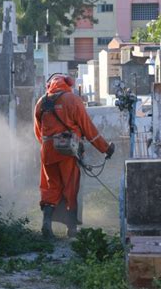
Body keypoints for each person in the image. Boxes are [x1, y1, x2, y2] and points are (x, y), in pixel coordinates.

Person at [34, 74, 115, 238]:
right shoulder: (72, 100)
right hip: (68, 153)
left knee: (50, 187)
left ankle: (46, 224)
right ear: (67, 84)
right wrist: (105, 149)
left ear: (50, 85)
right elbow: (88, 128)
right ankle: (71, 229)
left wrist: (49, 145)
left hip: (47, 152)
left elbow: (38, 132)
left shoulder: (41, 102)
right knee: (71, 188)